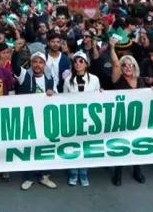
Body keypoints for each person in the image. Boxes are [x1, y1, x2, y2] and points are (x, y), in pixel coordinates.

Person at [11, 52, 57, 190]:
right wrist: (16, 52)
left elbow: (56, 96)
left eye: (41, 62)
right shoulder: (25, 75)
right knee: (29, 148)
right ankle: (28, 177)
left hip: (44, 120)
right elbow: (14, 66)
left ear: (44, 65)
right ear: (31, 64)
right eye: (35, 62)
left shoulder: (50, 79)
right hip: (28, 119)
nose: (37, 65)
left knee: (44, 147)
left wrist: (52, 93)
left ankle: (45, 176)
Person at [109, 40, 146, 185]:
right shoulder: (117, 79)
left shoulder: (141, 81)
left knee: (136, 145)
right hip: (122, 119)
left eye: (131, 65)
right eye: (125, 65)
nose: (128, 67)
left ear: (135, 67)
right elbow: (115, 63)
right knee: (121, 145)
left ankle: (137, 170)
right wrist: (112, 47)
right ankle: (118, 172)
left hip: (137, 119)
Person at [62, 51, 100, 187]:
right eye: (75, 61)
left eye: (81, 61)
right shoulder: (67, 80)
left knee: (86, 146)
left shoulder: (94, 79)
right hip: (73, 118)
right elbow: (64, 99)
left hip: (89, 118)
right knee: (73, 145)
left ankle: (83, 172)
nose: (78, 64)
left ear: (86, 64)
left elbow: (98, 99)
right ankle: (73, 172)